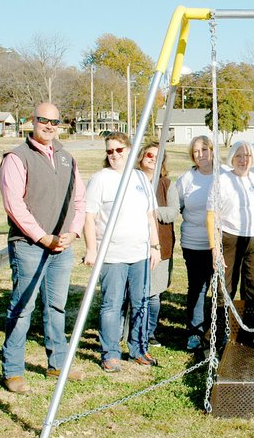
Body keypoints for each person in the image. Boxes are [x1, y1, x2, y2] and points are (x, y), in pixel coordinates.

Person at [0, 102, 86, 393]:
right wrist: (41, 236)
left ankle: (57, 364)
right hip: (28, 246)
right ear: (31, 121)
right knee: (22, 308)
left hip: (62, 247)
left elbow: (79, 201)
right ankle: (13, 369)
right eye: (43, 120)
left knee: (56, 307)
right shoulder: (17, 157)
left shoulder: (67, 158)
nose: (49, 126)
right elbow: (15, 205)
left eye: (55, 121)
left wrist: (73, 232)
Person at [84, 133, 160, 372]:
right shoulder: (101, 179)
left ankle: (138, 349)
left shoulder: (140, 178)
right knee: (112, 305)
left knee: (141, 303)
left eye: (119, 150)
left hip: (139, 253)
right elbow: (89, 216)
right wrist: (91, 249)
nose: (114, 155)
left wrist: (155, 246)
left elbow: (150, 215)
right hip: (112, 256)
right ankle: (110, 353)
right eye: (110, 151)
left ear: (129, 150)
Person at [207, 141, 254, 307]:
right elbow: (211, 217)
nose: (243, 160)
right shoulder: (221, 181)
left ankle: (249, 328)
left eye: (247, 155)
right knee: (224, 288)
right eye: (239, 155)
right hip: (230, 239)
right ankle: (220, 328)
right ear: (232, 158)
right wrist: (215, 249)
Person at [176, 136, 216, 351]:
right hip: (194, 243)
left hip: (219, 244)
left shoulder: (224, 175)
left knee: (220, 289)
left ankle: (219, 330)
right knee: (198, 289)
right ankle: (195, 332)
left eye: (204, 150)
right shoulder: (186, 179)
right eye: (196, 151)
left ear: (212, 150)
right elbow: (178, 206)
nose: (201, 155)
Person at [138, 142, 179, 349]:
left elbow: (173, 212)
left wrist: (151, 212)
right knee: (135, 292)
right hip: (134, 244)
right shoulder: (131, 181)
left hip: (160, 245)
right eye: (149, 155)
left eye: (158, 156)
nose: (153, 159)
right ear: (141, 157)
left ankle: (150, 332)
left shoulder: (166, 184)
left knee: (153, 293)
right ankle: (131, 329)